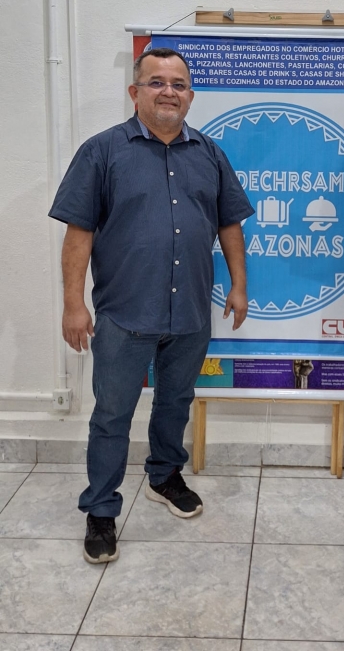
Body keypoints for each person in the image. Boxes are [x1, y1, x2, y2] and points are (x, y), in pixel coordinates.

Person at [49, 48, 255, 563]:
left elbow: (229, 223)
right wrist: (73, 305)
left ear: (191, 96)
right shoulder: (101, 152)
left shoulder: (209, 153)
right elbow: (79, 234)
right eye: (157, 82)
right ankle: (101, 509)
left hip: (190, 312)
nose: (169, 91)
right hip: (124, 313)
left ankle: (164, 476)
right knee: (111, 415)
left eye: (178, 84)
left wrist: (239, 285)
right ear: (134, 91)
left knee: (175, 401)